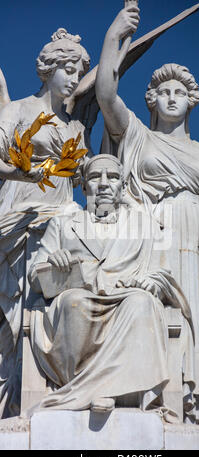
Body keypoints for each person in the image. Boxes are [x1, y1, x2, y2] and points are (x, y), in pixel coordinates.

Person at [95, 5, 199, 425]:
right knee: (151, 313)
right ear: (152, 101)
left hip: (198, 245)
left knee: (196, 329)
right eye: (164, 92)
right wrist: (113, 36)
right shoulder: (136, 133)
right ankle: (148, 401)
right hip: (152, 237)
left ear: (190, 102)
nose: (172, 97)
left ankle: (191, 412)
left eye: (180, 92)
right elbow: (105, 92)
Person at [27, 154, 194, 420]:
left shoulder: (144, 225)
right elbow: (34, 276)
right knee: (73, 303)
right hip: (80, 297)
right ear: (84, 187)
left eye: (112, 177)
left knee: (142, 303)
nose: (103, 184)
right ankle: (85, 388)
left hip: (126, 297)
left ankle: (110, 389)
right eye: (95, 177)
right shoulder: (62, 224)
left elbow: (163, 272)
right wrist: (52, 261)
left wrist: (151, 281)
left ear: (122, 185)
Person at [0, 27, 92, 418]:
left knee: (49, 312)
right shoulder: (17, 110)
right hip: (18, 219)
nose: (73, 77)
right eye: (67, 68)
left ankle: (46, 396)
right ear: (47, 69)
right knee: (10, 320)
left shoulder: (75, 127)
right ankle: (11, 403)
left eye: (78, 70)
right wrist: (26, 175)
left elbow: (90, 173)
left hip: (59, 224)